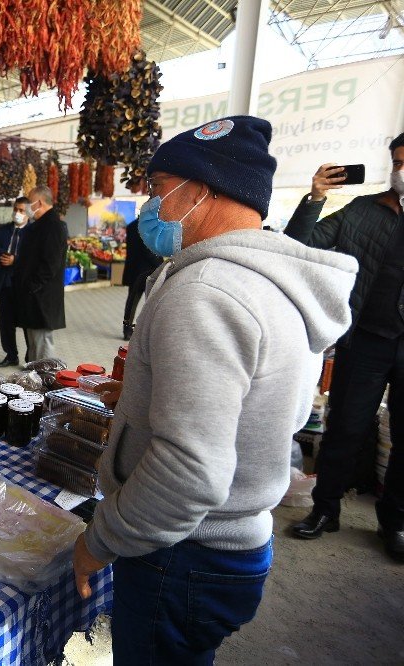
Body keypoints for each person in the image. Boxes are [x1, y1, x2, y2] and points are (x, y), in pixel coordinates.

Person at [70, 116, 357, 662]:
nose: (149, 208)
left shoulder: (205, 291)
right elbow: (282, 411)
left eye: (156, 190)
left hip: (182, 553)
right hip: (236, 546)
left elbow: (189, 471)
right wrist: (142, 403)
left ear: (199, 190)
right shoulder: (274, 280)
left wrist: (97, 541)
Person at [285, 137, 404, 560]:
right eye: (397, 162)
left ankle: (396, 522)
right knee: (346, 428)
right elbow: (300, 244)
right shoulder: (362, 211)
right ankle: (325, 510)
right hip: (367, 340)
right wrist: (316, 196)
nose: (401, 170)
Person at [13, 186, 67, 362]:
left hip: (41, 297)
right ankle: (36, 380)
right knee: (35, 344)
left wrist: (31, 286)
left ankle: (45, 381)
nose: (28, 206)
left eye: (30, 202)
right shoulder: (40, 225)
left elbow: (50, 265)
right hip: (34, 296)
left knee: (43, 345)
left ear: (40, 202)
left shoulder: (53, 226)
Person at [0, 196, 30, 367]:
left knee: (26, 322)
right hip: (5, 282)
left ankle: (31, 358)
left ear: (28, 213)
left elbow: (36, 258)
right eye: (16, 209)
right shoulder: (3, 231)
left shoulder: (33, 232)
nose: (17, 213)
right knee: (6, 322)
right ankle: (11, 355)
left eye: (22, 210)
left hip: (24, 284)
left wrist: (15, 260)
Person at [121, 215, 162, 341]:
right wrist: (161, 264)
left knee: (132, 301)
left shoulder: (131, 226)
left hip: (133, 269)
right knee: (150, 302)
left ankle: (127, 328)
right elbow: (148, 251)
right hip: (147, 271)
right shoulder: (146, 228)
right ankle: (146, 332)